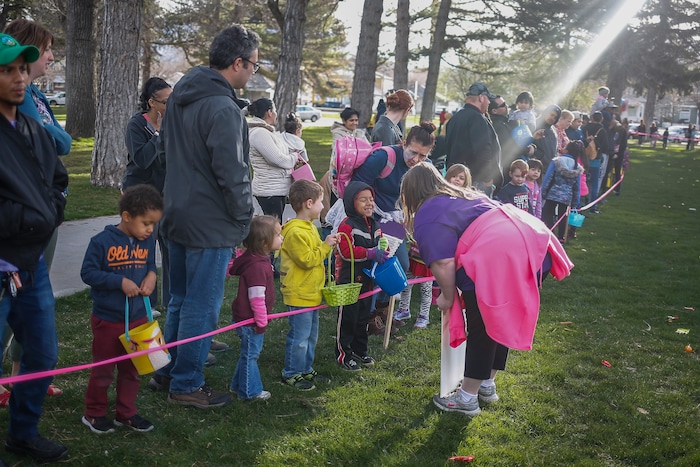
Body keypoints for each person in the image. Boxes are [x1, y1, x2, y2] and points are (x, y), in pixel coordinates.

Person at [399, 163, 573, 417]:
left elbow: (443, 261)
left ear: (410, 193)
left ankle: (468, 397)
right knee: (500, 319)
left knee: (483, 326)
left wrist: (447, 296)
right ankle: (486, 384)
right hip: (534, 244)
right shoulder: (463, 196)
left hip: (500, 253)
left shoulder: (427, 212)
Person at [152, 24, 260, 409]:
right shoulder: (222, 106)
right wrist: (244, 217)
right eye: (253, 66)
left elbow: (163, 151)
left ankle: (167, 370)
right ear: (237, 63)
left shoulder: (181, 94)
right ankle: (186, 382)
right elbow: (233, 173)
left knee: (180, 298)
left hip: (176, 212)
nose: (253, 73)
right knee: (200, 304)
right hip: (208, 222)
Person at [0, 32, 69, 462]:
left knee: (42, 352)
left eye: (22, 69)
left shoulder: (30, 126)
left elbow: (57, 180)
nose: (19, 78)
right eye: (7, 70)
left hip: (32, 264)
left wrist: (49, 213)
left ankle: (23, 433)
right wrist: (22, 222)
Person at [79, 185, 163, 434]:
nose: (150, 230)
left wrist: (151, 277)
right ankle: (93, 414)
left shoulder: (146, 241)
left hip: (138, 319)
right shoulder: (101, 242)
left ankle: (126, 413)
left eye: (153, 224)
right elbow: (88, 273)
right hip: (108, 319)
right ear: (126, 216)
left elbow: (150, 265)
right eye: (146, 223)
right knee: (104, 369)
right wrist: (119, 282)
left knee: (132, 369)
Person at [353, 122, 437, 334]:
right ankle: (367, 317)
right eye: (413, 152)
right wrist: (366, 218)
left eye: (423, 156)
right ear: (403, 143)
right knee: (374, 268)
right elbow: (357, 186)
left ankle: (381, 312)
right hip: (368, 218)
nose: (416, 159)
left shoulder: (419, 167)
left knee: (400, 263)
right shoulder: (383, 157)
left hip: (393, 221)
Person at [280, 180, 338, 390]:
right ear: (309, 203)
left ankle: (305, 368)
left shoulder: (310, 227)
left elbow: (317, 253)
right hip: (299, 293)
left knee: (310, 335)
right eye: (321, 202)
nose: (323, 206)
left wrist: (326, 245)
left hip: (311, 292)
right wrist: (325, 247)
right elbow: (306, 260)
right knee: (300, 336)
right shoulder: (295, 232)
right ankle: (291, 373)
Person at [121, 77, 172, 311]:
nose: (170, 106)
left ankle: (170, 302)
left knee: (170, 251)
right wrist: (158, 135)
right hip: (140, 196)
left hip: (164, 196)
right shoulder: (136, 125)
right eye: (166, 102)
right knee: (143, 251)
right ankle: (145, 303)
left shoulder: (171, 124)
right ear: (152, 102)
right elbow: (142, 159)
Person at [335, 182, 388, 370]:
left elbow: (381, 242)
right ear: (351, 202)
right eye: (363, 200)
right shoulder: (346, 225)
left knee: (363, 316)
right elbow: (345, 252)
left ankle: (360, 350)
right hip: (349, 279)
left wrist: (384, 250)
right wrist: (370, 253)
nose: (369, 203)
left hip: (367, 279)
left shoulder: (375, 224)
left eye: (371, 199)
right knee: (348, 316)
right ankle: (344, 353)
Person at [228, 215, 282, 401]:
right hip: (250, 320)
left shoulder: (256, 259)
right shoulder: (257, 266)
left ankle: (237, 386)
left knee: (247, 354)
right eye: (278, 235)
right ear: (264, 242)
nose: (281, 238)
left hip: (246, 318)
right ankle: (250, 391)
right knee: (251, 355)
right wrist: (261, 321)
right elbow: (256, 298)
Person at [445, 82, 502, 196]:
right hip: (476, 182)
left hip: (455, 179)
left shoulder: (455, 118)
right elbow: (483, 150)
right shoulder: (478, 119)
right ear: (481, 98)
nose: (489, 102)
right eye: (488, 99)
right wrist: (488, 178)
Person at [249, 97, 297, 222]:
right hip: (269, 191)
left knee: (275, 229)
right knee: (272, 231)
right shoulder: (259, 133)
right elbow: (277, 159)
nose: (276, 114)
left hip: (276, 189)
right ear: (269, 112)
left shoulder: (265, 131)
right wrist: (294, 157)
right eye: (275, 110)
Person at [541, 141, 585, 242]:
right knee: (562, 216)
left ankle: (550, 232)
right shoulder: (577, 167)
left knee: (549, 213)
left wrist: (543, 191)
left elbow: (548, 177)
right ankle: (561, 237)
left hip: (553, 192)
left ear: (567, 150)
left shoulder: (557, 161)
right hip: (567, 196)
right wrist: (575, 201)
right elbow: (577, 186)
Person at [489, 95, 531, 188]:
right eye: (503, 105)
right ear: (494, 111)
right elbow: (509, 148)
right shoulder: (498, 126)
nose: (506, 106)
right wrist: (527, 150)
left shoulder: (505, 122)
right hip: (505, 170)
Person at [583, 111, 608, 214]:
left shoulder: (585, 128)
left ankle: (581, 204)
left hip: (583, 160)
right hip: (595, 161)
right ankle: (592, 206)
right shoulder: (602, 131)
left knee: (582, 182)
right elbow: (605, 147)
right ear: (601, 119)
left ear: (591, 118)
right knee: (594, 184)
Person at [532, 105, 561, 172]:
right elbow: (526, 143)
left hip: (549, 168)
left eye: (555, 117)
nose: (552, 118)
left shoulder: (553, 130)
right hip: (535, 168)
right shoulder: (534, 125)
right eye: (551, 114)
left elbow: (554, 150)